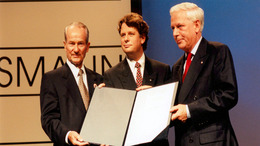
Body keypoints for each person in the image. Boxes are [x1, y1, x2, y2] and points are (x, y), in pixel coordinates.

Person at [169, 2, 238, 146]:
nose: (175, 33)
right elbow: (175, 107)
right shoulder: (177, 67)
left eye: (180, 26)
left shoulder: (217, 52)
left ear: (196, 25)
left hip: (212, 141)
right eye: (173, 28)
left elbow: (228, 95)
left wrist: (189, 110)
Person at [103, 13, 171, 145]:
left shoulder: (162, 70)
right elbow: (111, 119)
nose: (125, 39)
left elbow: (170, 113)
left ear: (142, 38)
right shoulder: (111, 75)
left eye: (131, 34)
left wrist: (154, 96)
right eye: (123, 35)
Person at [40, 22, 103, 146]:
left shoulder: (98, 79)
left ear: (88, 46)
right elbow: (48, 120)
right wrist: (68, 134)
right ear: (65, 45)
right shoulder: (52, 79)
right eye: (71, 43)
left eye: (80, 43)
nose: (75, 49)